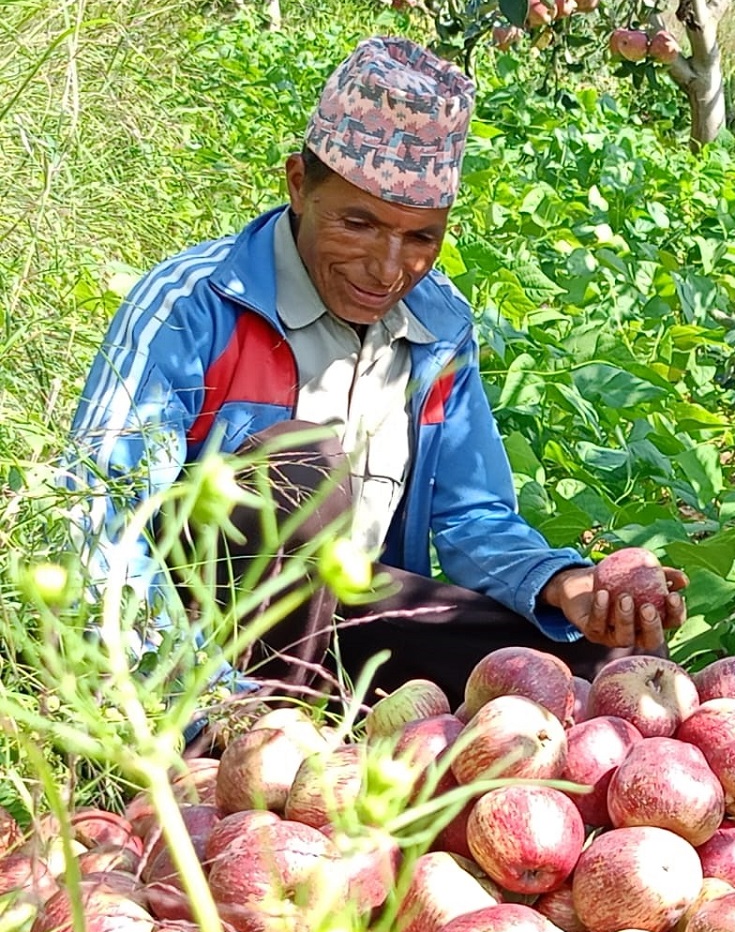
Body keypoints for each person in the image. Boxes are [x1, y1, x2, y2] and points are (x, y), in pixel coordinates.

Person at [66, 35, 687, 705]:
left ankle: (328, 722)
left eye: (421, 238)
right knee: (303, 468)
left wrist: (561, 583)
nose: (389, 269)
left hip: (349, 627)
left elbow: (472, 516)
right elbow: (96, 517)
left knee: (603, 660)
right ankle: (249, 745)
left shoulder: (438, 326)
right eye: (359, 224)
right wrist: (198, 697)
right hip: (193, 638)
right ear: (299, 186)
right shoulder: (194, 305)